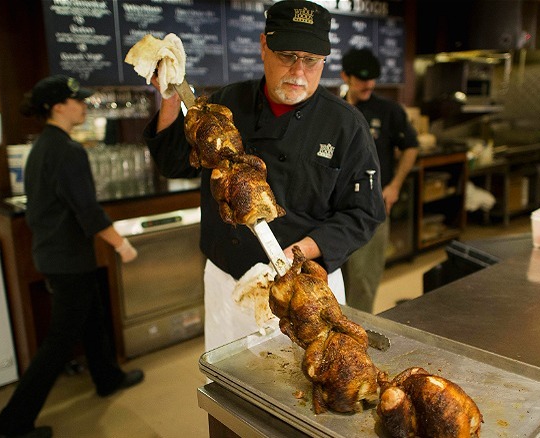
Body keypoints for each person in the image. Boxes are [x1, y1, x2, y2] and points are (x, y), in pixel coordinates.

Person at [144, 1, 386, 351]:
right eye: (287, 55)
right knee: (230, 389)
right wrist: (169, 98)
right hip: (228, 283)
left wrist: (299, 252)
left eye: (312, 60)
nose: (299, 72)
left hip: (304, 289)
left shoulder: (346, 126)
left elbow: (364, 213)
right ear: (263, 46)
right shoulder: (226, 103)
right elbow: (172, 162)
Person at [0, 75, 144, 438]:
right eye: (78, 101)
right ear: (58, 106)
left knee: (92, 318)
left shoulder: (42, 147)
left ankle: (107, 377)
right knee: (59, 342)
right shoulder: (67, 151)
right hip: (67, 259)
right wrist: (120, 244)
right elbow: (87, 210)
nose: (85, 106)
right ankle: (10, 425)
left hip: (56, 254)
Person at [339, 48, 419, 313]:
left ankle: (355, 341)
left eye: (373, 79)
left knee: (362, 283)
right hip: (334, 209)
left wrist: (395, 185)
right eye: (362, 79)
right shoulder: (334, 109)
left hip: (370, 208)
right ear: (345, 76)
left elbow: (411, 146)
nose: (369, 85)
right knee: (335, 282)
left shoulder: (389, 110)